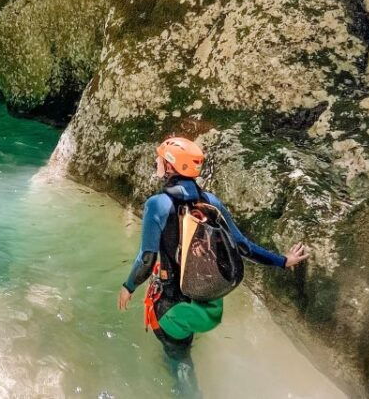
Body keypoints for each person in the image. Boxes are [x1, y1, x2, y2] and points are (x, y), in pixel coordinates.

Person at [117, 137, 309, 396]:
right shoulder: (210, 202)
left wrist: (128, 287)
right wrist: (283, 261)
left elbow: (146, 259)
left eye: (160, 158)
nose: (156, 161)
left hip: (171, 308)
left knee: (179, 360)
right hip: (208, 302)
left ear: (171, 166)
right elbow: (243, 247)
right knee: (184, 343)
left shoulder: (157, 204)